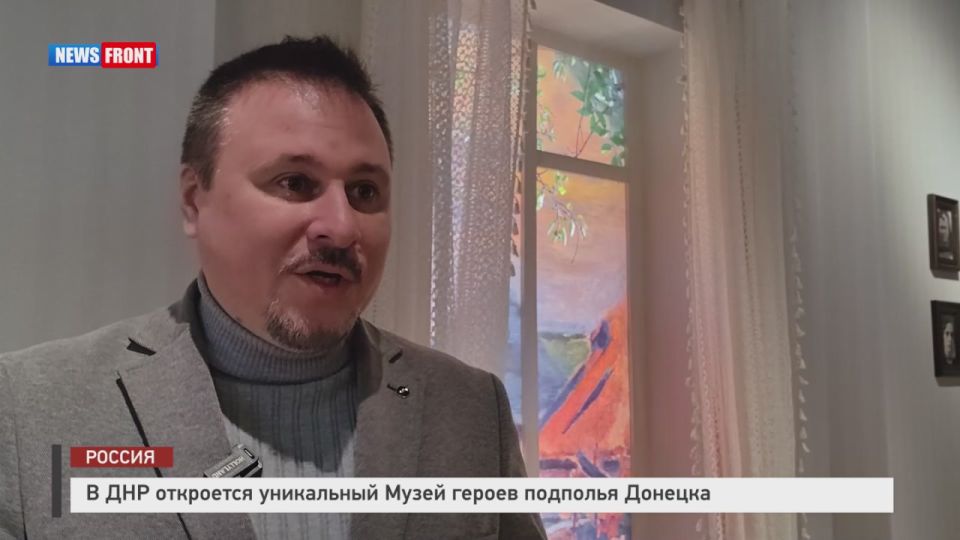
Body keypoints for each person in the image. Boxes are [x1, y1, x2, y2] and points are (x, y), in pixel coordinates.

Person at [0, 36, 545, 540]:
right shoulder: (28, 407)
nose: (341, 227)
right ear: (193, 200)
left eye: (364, 191)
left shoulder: (472, 407)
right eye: (295, 182)